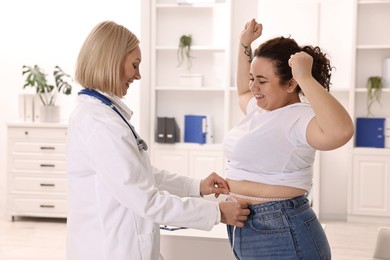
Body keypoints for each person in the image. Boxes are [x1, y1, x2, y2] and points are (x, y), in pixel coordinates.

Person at [66, 20, 250, 260]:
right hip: (112, 250)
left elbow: (140, 174)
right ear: (111, 60)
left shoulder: (103, 114)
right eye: (135, 65)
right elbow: (147, 201)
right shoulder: (99, 124)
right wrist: (217, 213)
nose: (138, 75)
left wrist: (196, 186)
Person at [223, 19, 354, 259]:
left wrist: (306, 77)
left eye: (262, 81)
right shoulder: (259, 109)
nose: (254, 87)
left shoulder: (301, 118)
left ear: (291, 83)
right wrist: (244, 45)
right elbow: (242, 90)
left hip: (282, 229)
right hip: (244, 226)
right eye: (253, 78)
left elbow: (341, 132)